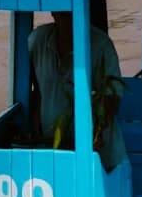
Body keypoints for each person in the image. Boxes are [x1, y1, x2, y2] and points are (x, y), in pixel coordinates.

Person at [28, 12, 128, 168]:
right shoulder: (37, 40)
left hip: (101, 158)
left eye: (71, 12)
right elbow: (36, 90)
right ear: (53, 13)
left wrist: (94, 134)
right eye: (62, 11)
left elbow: (112, 99)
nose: (66, 16)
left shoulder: (101, 45)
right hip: (52, 150)